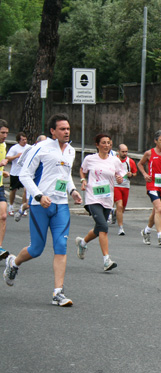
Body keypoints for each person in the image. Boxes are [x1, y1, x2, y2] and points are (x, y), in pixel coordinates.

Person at [3, 114, 83, 306]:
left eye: (68, 129)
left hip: (61, 205)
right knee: (37, 249)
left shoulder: (71, 151)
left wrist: (72, 191)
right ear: (53, 131)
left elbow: (66, 176)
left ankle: (58, 292)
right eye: (62, 129)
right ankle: (14, 263)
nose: (66, 132)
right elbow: (24, 175)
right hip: (40, 205)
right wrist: (38, 196)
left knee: (61, 246)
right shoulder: (40, 148)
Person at [75, 134, 125, 271]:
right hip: (93, 197)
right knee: (103, 227)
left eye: (109, 143)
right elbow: (82, 170)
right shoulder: (90, 159)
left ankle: (83, 242)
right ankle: (106, 260)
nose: (106, 145)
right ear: (97, 145)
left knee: (98, 228)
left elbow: (119, 174)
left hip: (107, 198)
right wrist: (83, 180)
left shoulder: (114, 161)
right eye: (103, 143)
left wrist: (119, 179)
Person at [113, 144, 138, 235]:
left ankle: (114, 213)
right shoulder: (113, 160)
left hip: (126, 186)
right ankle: (121, 228)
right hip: (115, 185)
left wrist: (131, 174)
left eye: (126, 151)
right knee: (119, 205)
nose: (125, 153)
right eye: (123, 152)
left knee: (122, 208)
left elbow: (135, 173)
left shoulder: (130, 161)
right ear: (118, 152)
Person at [6, 132, 30, 220]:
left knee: (26, 190)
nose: (24, 141)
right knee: (13, 190)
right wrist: (16, 156)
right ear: (18, 140)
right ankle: (11, 206)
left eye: (25, 139)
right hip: (15, 173)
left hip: (25, 173)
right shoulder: (14, 148)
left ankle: (23, 207)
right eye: (22, 140)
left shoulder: (29, 148)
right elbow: (7, 158)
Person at [0, 120, 11, 259]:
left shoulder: (3, 145)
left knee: (3, 216)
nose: (5, 135)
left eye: (7, 133)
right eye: (2, 132)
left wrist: (3, 172)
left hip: (0, 186)